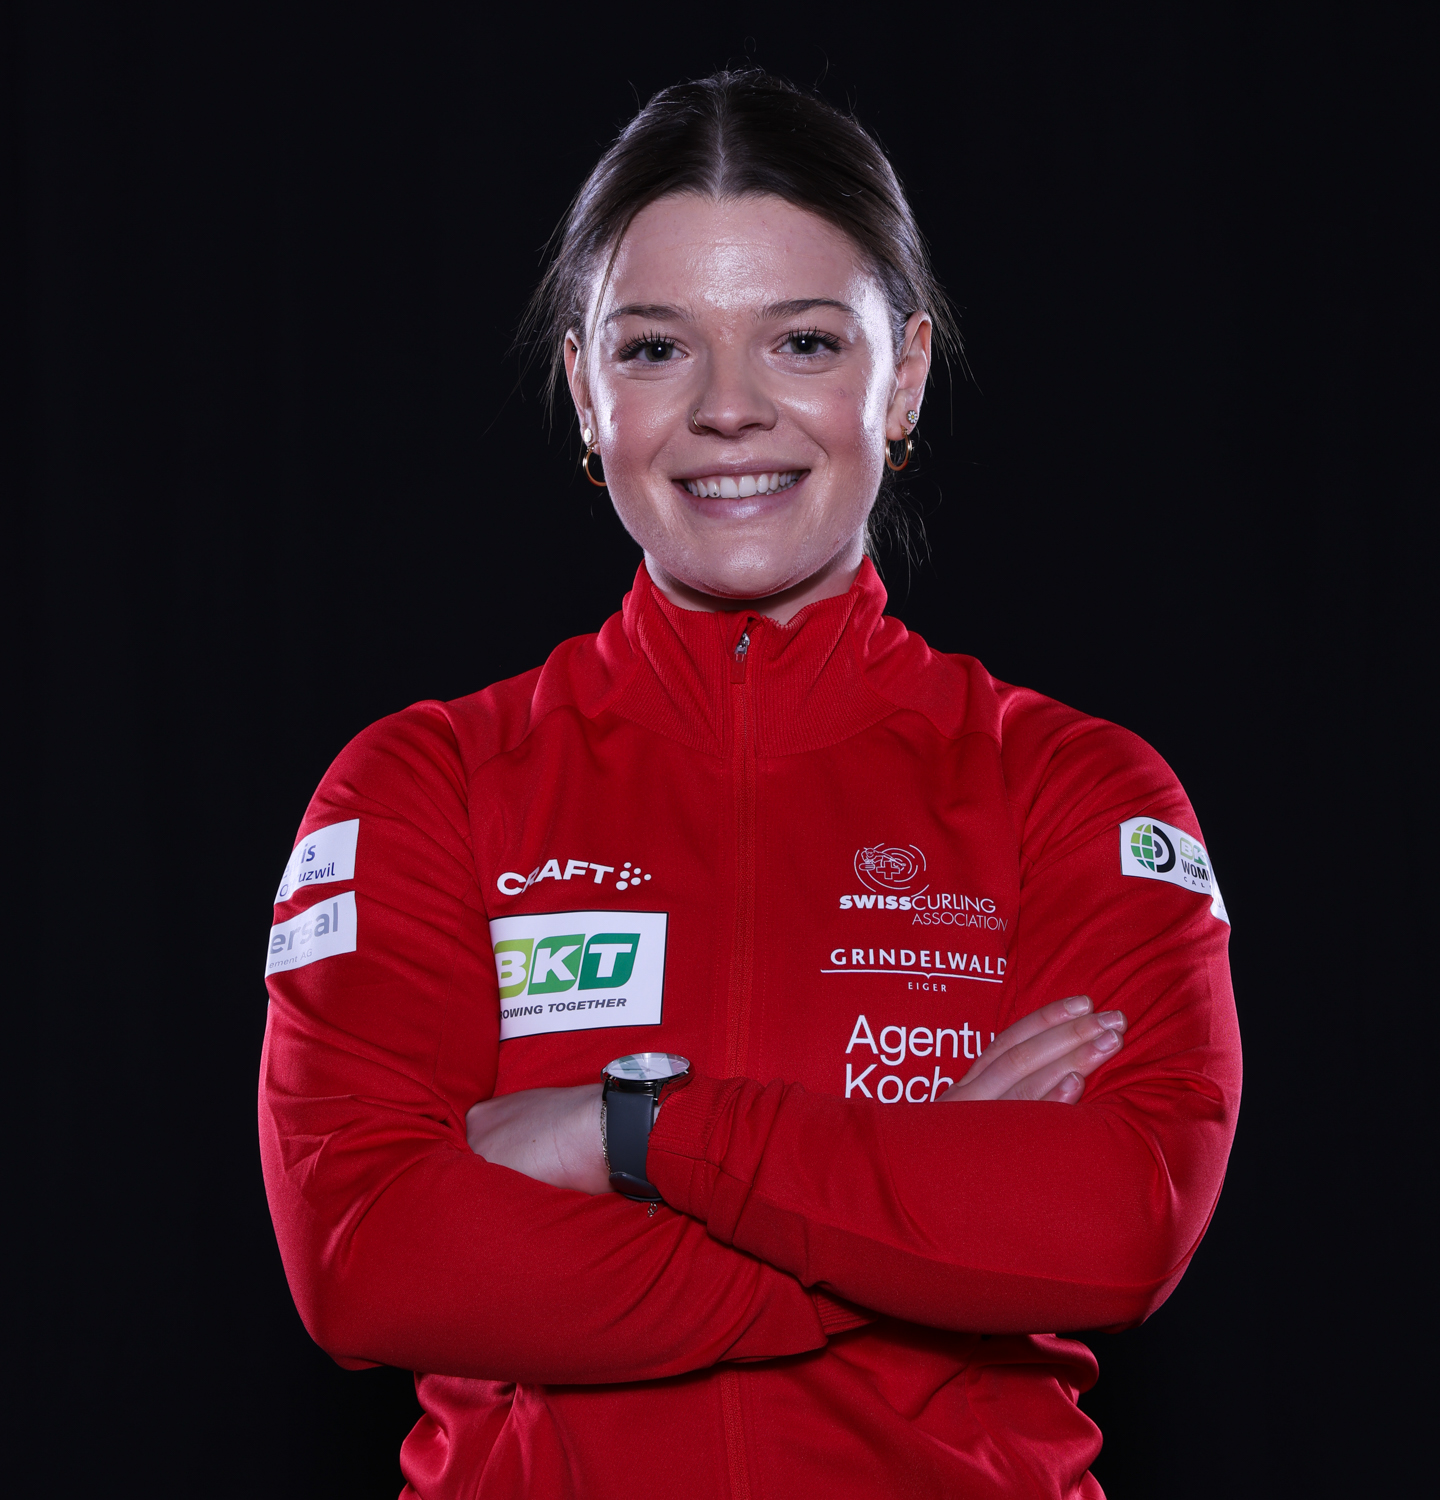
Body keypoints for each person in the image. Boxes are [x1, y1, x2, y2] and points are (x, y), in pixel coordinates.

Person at [259, 70, 1240, 1499]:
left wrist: (635, 1133)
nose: (729, 410)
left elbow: (1117, 1226)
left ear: (901, 377)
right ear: (585, 389)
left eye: (802, 342)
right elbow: (367, 1260)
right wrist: (921, 1200)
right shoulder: (422, 786)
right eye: (657, 347)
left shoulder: (1075, 791)